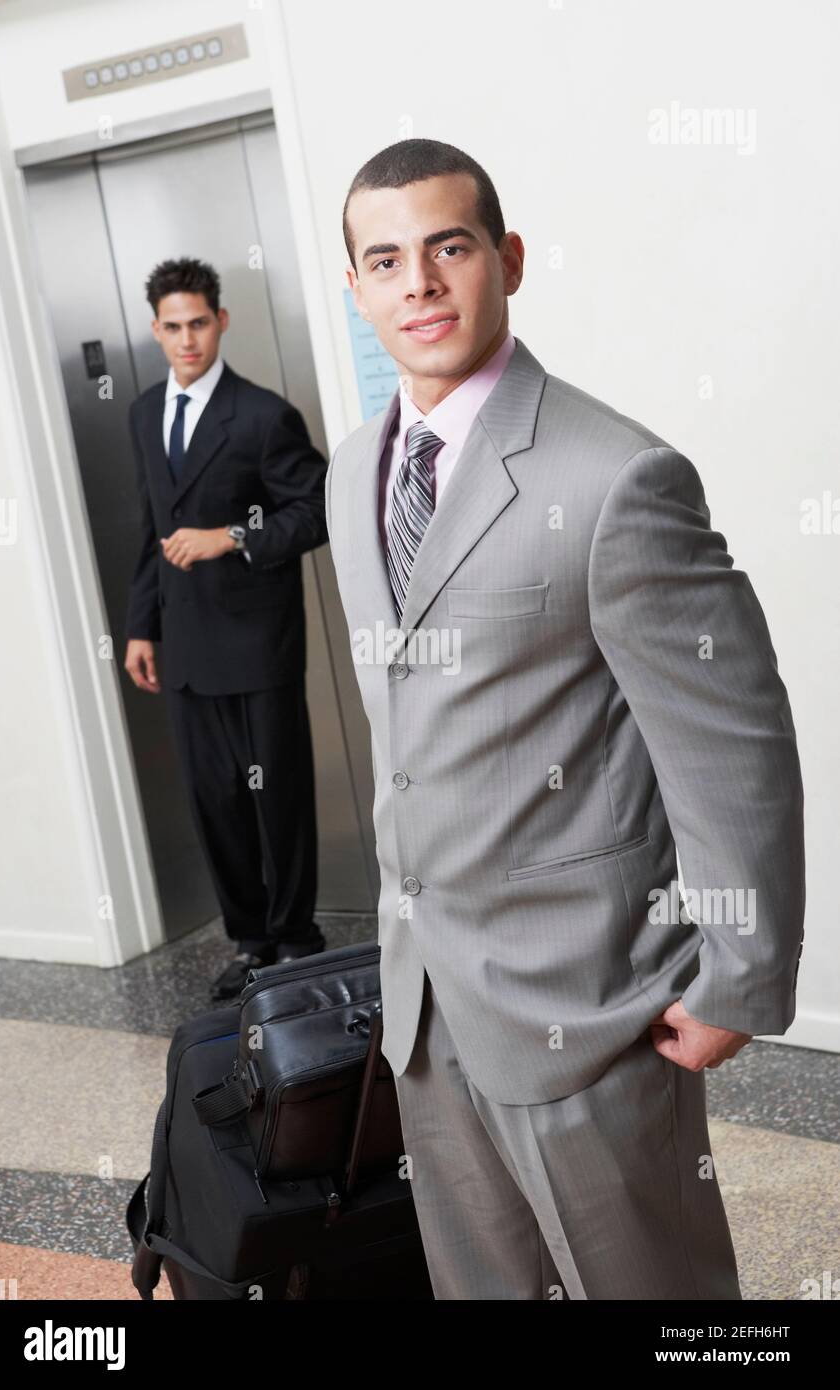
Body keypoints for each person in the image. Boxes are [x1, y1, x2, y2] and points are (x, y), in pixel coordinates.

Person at [325, 138, 805, 1299]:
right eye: (385, 260)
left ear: (509, 259)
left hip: (589, 1004)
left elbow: (730, 741)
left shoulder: (615, 475)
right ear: (356, 290)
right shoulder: (350, 474)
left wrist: (739, 974)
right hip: (426, 1012)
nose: (419, 284)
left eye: (448, 246)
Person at [124, 257, 328, 1001]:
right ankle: (250, 942)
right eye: (172, 327)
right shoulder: (145, 413)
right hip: (184, 646)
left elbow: (316, 510)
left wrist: (233, 537)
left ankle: (297, 938)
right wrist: (141, 626)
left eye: (199, 324)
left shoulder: (263, 415)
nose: (187, 340)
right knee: (215, 801)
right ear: (156, 330)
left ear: (221, 321)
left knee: (276, 797)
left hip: (256, 644)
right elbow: (152, 527)